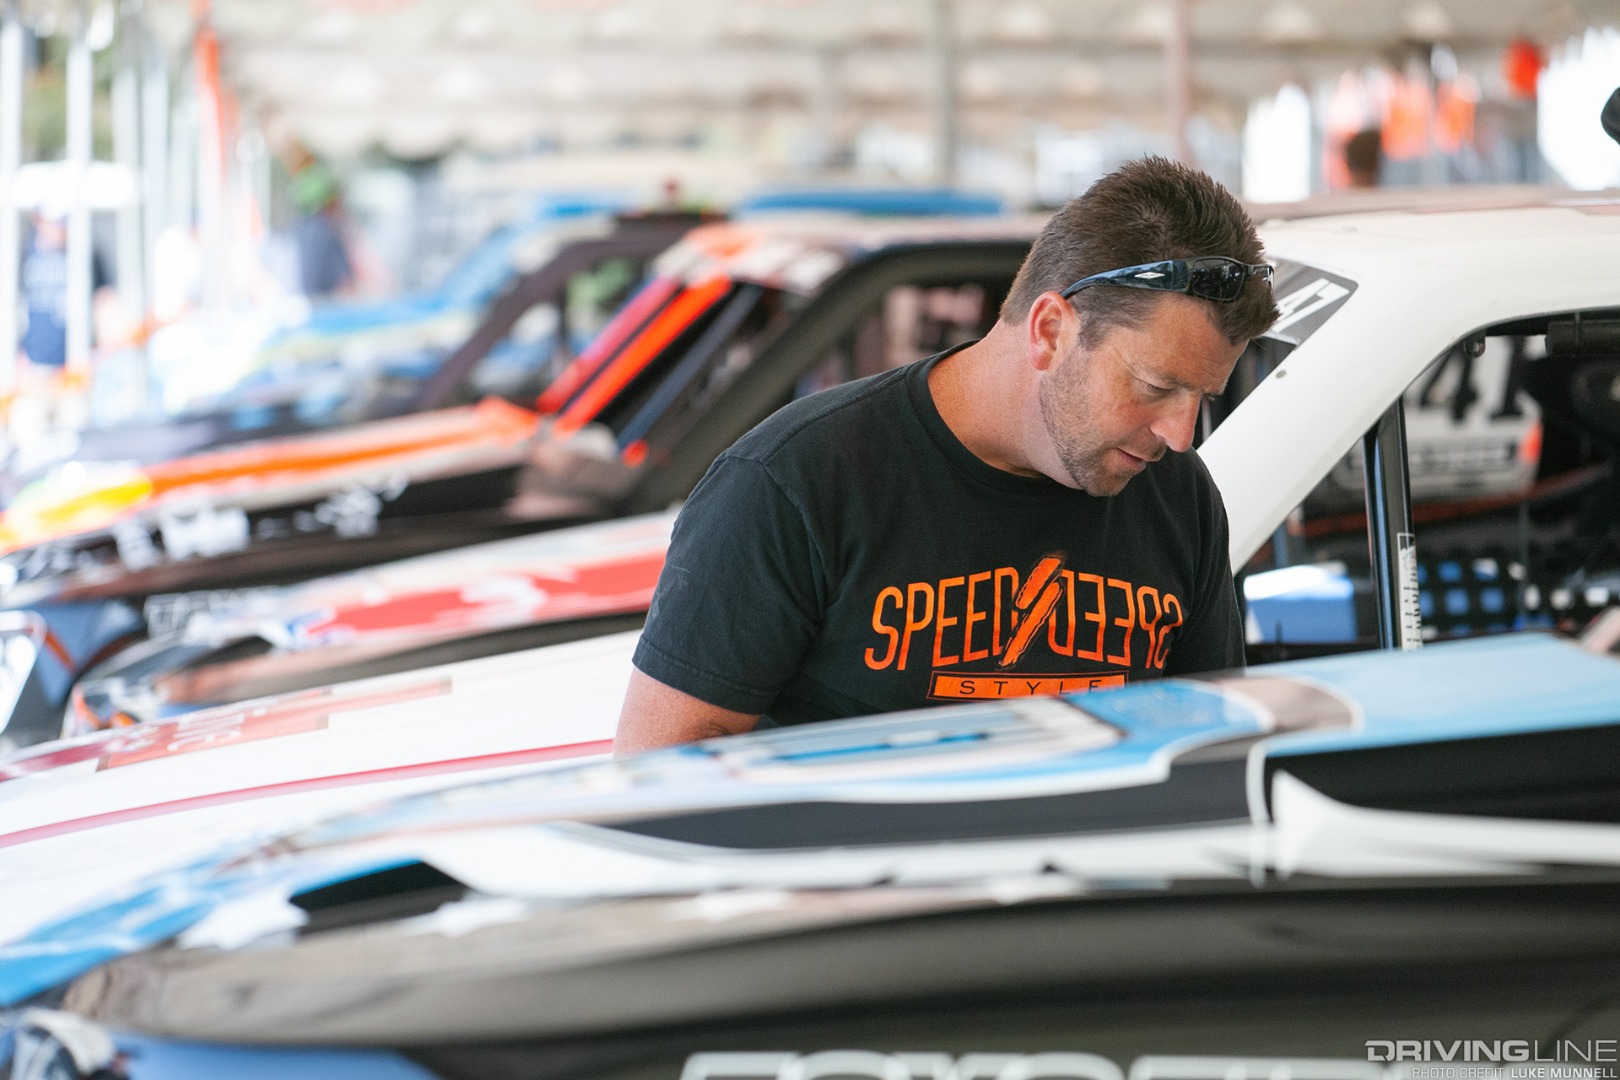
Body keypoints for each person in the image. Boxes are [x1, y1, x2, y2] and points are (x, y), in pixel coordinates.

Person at [615, 156, 1280, 754]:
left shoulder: (1178, 497)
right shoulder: (796, 483)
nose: (1181, 434)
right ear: (1050, 331)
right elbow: (658, 783)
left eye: (1203, 397)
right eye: (1157, 387)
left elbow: (1207, 757)